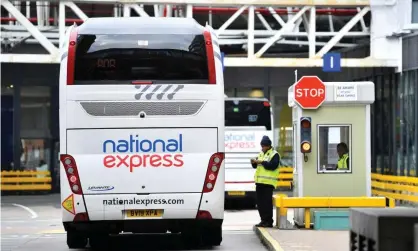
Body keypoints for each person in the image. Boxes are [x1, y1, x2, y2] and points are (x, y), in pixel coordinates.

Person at [251, 135, 281, 228]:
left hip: (268, 184)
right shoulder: (261, 154)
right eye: (262, 146)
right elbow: (256, 166)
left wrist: (261, 162)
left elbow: (272, 166)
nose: (262, 148)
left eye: (264, 146)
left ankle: (268, 221)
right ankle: (263, 220)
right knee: (260, 203)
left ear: (269, 146)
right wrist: (254, 163)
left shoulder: (274, 154)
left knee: (267, 203)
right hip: (259, 182)